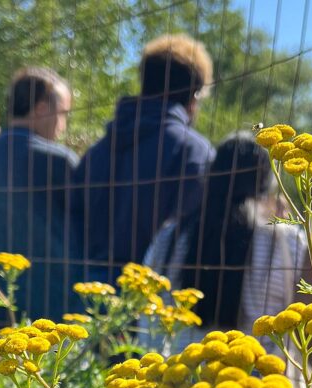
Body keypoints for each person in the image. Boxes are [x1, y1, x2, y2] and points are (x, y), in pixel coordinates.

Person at [142, 132, 310, 388]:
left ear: (212, 174)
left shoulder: (171, 236)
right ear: (267, 181)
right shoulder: (286, 242)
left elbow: (146, 312)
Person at [71, 33, 215, 287]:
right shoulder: (194, 152)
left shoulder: (97, 151)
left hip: (85, 297)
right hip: (150, 303)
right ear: (194, 96)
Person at [0, 67, 79, 322]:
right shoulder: (58, 160)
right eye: (62, 114)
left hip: (2, 296)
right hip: (57, 302)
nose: (62, 126)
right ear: (41, 108)